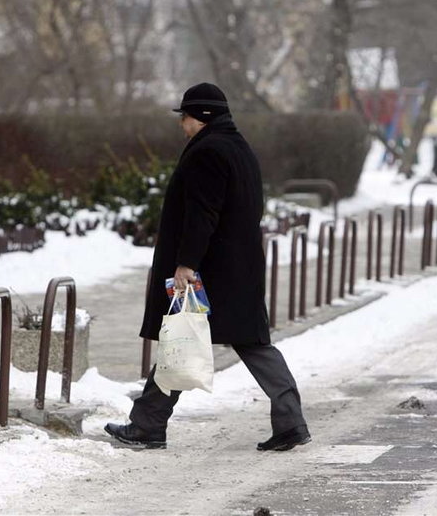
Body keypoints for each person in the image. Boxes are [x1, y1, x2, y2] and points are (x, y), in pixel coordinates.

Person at [105, 82, 310, 451]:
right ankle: (150, 422)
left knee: (184, 339)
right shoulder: (238, 147)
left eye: (184, 116)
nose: (181, 124)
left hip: (211, 270)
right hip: (237, 266)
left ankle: (148, 425)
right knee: (213, 342)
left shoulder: (209, 152)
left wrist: (186, 263)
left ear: (201, 117)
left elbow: (202, 214)